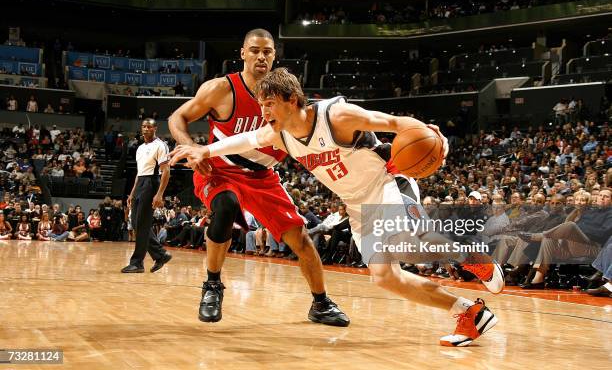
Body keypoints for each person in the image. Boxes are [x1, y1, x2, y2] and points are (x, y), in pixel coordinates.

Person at [170, 67, 505, 347]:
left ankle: (474, 258)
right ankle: (469, 313)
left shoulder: (336, 115)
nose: (264, 113)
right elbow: (244, 140)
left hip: (387, 184)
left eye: (269, 104)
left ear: (292, 100)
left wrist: (435, 136)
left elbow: (393, 122)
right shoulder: (279, 134)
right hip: (357, 205)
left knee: (407, 240)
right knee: (385, 277)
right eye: (261, 105)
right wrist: (205, 151)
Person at [167, 28, 348, 326]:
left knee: (301, 240)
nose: (261, 56)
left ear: (274, 55)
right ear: (242, 53)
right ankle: (212, 285)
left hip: (264, 176)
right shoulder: (221, 89)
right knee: (224, 206)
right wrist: (189, 145)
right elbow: (177, 117)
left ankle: (321, 302)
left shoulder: (285, 94)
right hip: (220, 170)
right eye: (254, 50)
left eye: (267, 51)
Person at [121, 119, 172, 273]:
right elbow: (139, 172)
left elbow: (166, 171)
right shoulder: (140, 148)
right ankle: (160, 254)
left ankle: (137, 263)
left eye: (149, 126)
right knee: (136, 223)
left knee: (142, 224)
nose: (146, 129)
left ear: (155, 128)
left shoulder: (160, 145)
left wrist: (159, 194)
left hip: (151, 182)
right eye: (144, 126)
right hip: (141, 182)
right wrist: (132, 192)